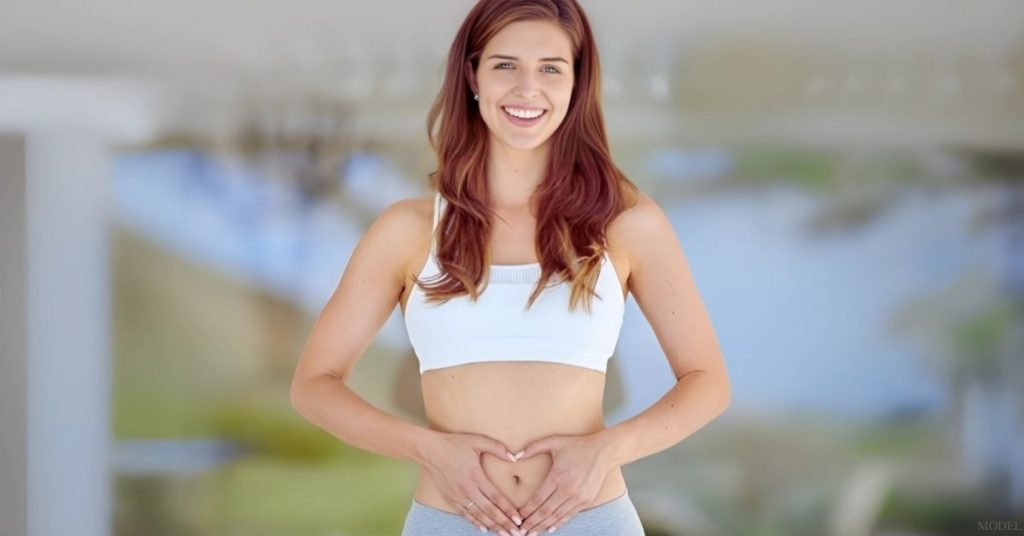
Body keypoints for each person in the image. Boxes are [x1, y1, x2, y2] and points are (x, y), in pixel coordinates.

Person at [289, 0, 732, 534]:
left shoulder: (626, 222)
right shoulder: (407, 229)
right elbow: (314, 384)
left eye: (550, 68)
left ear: (576, 82)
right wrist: (431, 451)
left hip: (591, 521)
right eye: (505, 66)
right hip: (448, 522)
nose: (528, 89)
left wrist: (607, 450)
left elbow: (707, 382)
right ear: (472, 76)